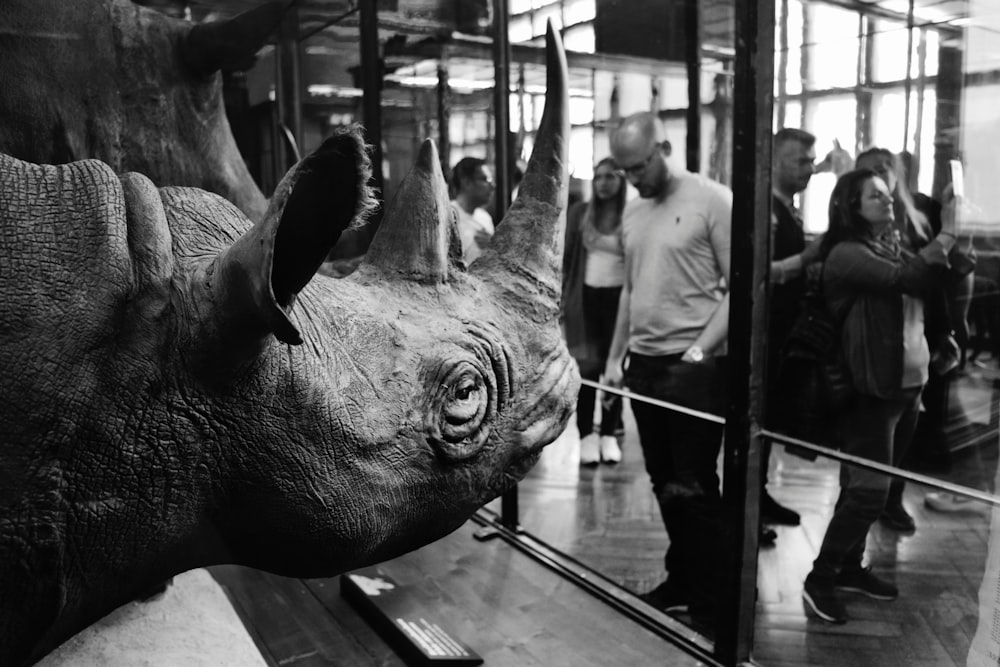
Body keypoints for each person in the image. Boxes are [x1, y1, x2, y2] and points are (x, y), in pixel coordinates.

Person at [801, 167, 959, 624]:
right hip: (871, 391)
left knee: (866, 488)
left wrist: (957, 237)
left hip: (907, 388)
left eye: (889, 194)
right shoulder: (848, 253)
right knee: (870, 493)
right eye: (876, 196)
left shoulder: (888, 243)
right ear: (851, 206)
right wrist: (947, 232)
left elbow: (936, 278)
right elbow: (908, 278)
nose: (887, 201)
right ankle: (820, 578)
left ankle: (849, 567)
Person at [603, 112, 732, 624]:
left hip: (694, 369)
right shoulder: (634, 214)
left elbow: (740, 286)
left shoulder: (711, 200)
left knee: (696, 486)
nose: (634, 178)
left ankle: (714, 598)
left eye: (639, 166)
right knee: (665, 482)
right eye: (625, 169)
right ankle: (684, 579)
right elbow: (630, 292)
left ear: (665, 147)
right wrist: (616, 357)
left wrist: (700, 352)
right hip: (645, 366)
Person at [853, 147, 974, 532]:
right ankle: (853, 532)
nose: (881, 182)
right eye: (870, 175)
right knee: (871, 445)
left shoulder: (918, 213)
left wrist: (947, 331)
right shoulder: (854, 235)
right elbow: (908, 276)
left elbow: (941, 277)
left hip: (917, 337)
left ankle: (891, 499)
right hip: (876, 347)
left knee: (911, 427)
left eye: (885, 171)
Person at [764, 128, 824, 540]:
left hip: (784, 332)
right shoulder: (762, 208)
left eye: (811, 160)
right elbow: (757, 272)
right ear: (775, 161)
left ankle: (758, 498)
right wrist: (805, 260)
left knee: (770, 419)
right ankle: (746, 506)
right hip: (764, 335)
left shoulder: (789, 208)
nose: (810, 167)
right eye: (801, 159)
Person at [562, 158, 627, 465]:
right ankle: (586, 434)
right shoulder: (580, 213)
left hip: (620, 301)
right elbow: (567, 259)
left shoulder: (632, 214)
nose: (603, 183)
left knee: (614, 370)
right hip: (585, 299)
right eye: (598, 177)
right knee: (587, 370)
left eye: (610, 177)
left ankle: (609, 434)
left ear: (621, 180)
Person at [449, 157, 495, 265]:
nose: (492, 186)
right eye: (485, 180)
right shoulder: (448, 215)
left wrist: (492, 246)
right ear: (467, 183)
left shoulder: (485, 218)